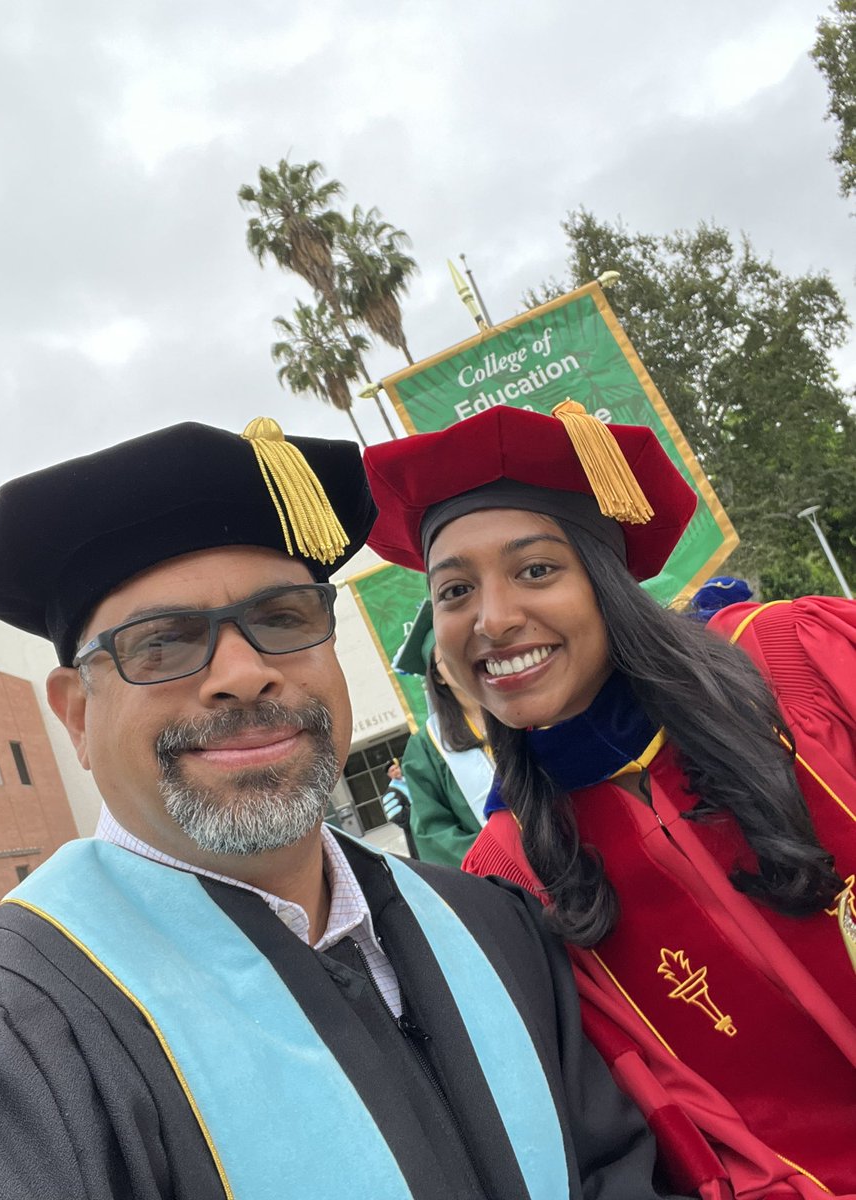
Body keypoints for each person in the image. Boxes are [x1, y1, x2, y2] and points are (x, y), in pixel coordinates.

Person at [0, 415, 686, 1200]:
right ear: (76, 716)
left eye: (282, 619)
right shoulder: (25, 1043)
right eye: (161, 642)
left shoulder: (490, 925)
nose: (243, 674)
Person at [363, 401, 856, 1198]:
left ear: (606, 581)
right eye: (454, 590)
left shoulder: (799, 660)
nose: (493, 619)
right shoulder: (516, 872)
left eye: (536, 570)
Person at [394, 599, 493, 866]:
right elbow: (433, 833)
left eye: (465, 650)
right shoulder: (426, 746)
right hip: (499, 875)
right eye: (447, 656)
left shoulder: (520, 710)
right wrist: (501, 859)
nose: (460, 660)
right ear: (436, 675)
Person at [379, 757, 419, 856]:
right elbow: (397, 817)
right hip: (414, 831)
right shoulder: (391, 793)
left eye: (396, 768)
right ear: (389, 775)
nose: (396, 771)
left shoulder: (410, 781)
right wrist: (415, 817)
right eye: (392, 770)